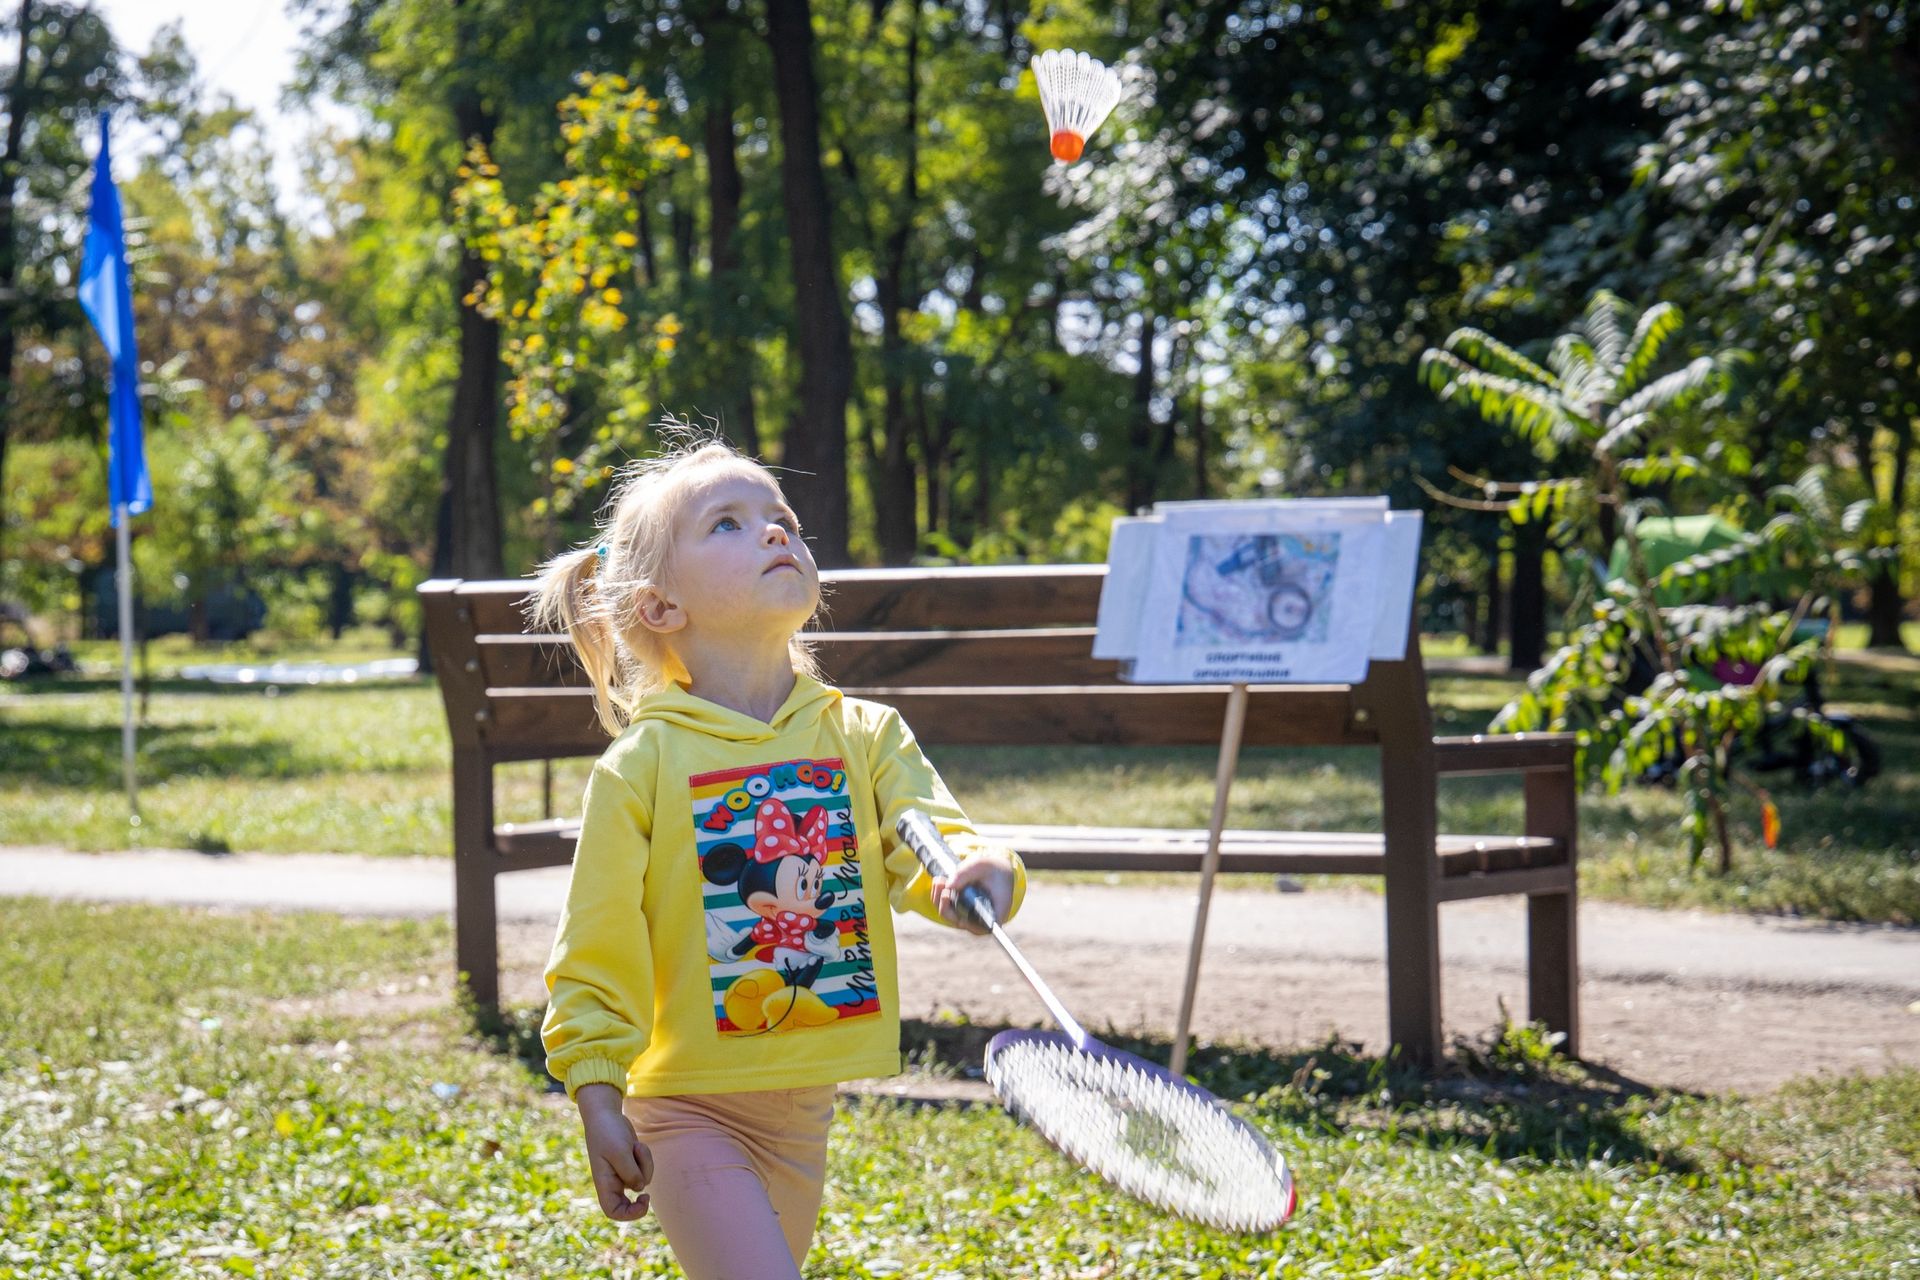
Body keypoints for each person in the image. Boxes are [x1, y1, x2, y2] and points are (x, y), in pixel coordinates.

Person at [530, 430, 1024, 1279]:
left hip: (806, 1107)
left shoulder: (863, 735)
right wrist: (596, 1090)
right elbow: (596, 945)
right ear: (659, 608)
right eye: (727, 522)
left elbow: (930, 839)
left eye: (782, 516)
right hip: (685, 1107)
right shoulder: (641, 767)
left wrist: (976, 875)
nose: (774, 531)